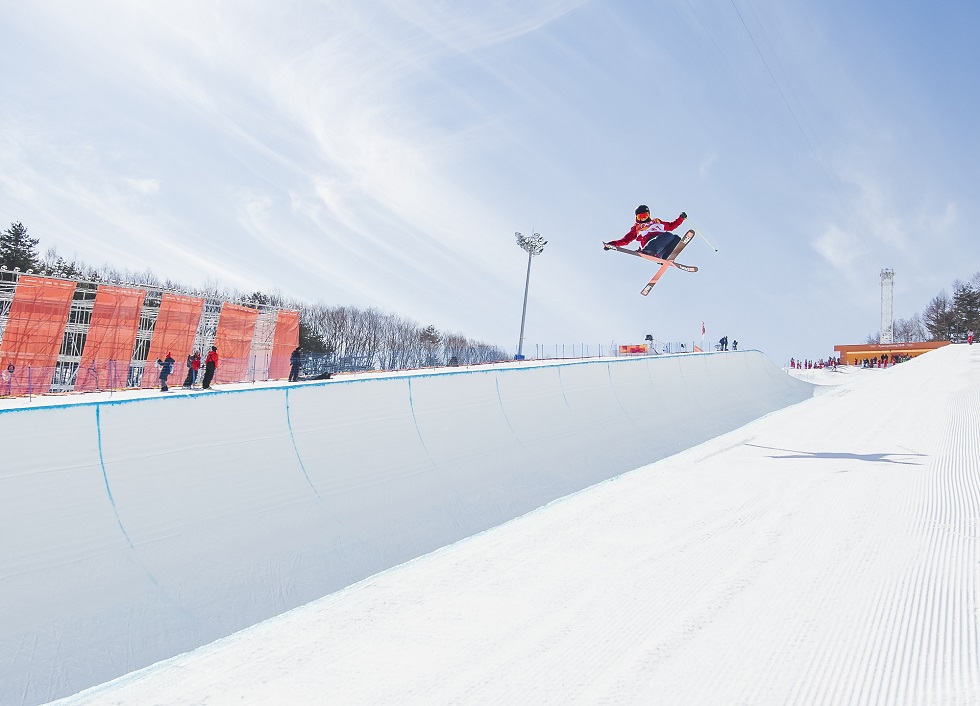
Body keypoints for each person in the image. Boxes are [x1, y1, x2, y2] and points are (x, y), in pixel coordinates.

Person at [603, 204, 688, 260]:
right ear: (637, 218)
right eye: (640, 217)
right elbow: (625, 240)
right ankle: (648, 250)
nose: (643, 218)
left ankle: (665, 257)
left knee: (676, 238)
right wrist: (611, 244)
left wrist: (681, 218)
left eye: (645, 215)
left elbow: (671, 226)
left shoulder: (657, 221)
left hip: (660, 245)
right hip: (649, 244)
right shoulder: (637, 227)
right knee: (668, 235)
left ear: (649, 214)